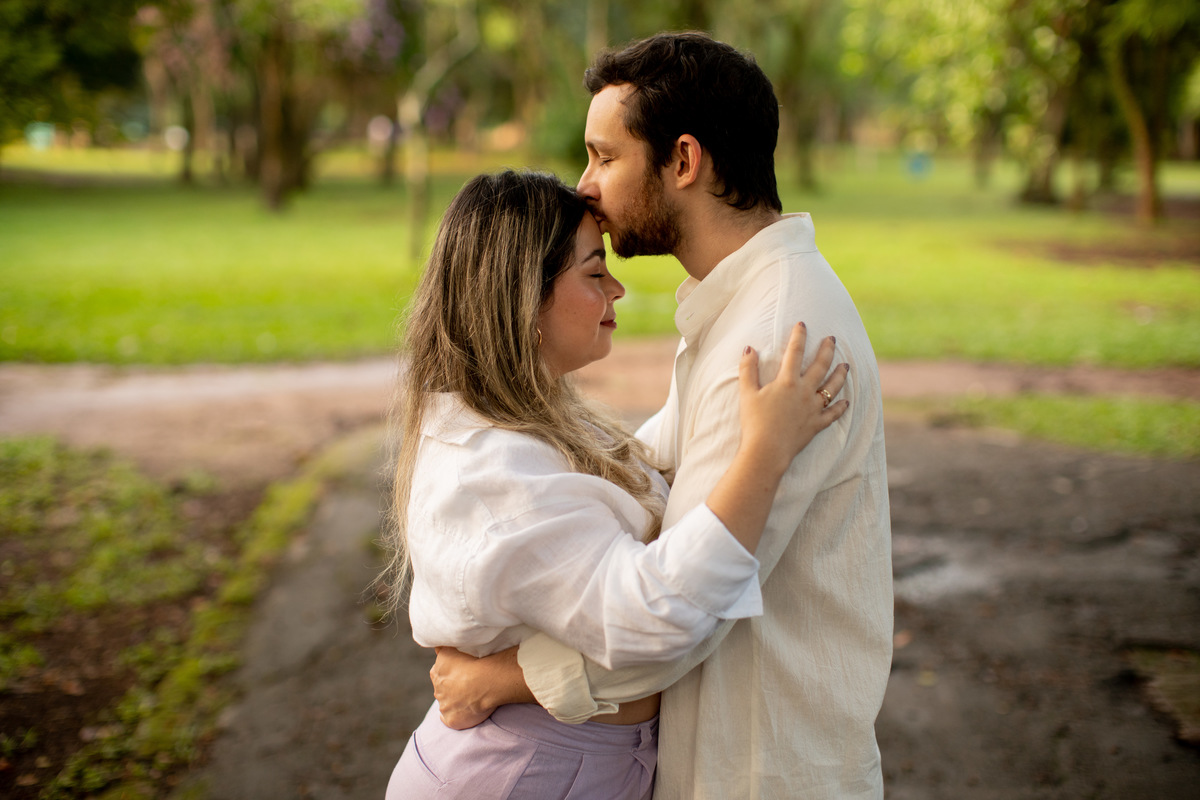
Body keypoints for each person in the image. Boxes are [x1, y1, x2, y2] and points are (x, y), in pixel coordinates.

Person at [429, 32, 894, 800]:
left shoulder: (773, 339)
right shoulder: (740, 309)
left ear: (683, 161)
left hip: (756, 772)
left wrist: (501, 678)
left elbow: (676, 620)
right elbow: (649, 471)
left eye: (604, 157)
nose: (584, 186)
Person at [381, 169, 849, 799]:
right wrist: (763, 454)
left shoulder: (521, 418)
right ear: (523, 295)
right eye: (593, 273)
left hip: (557, 764)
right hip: (518, 774)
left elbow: (632, 469)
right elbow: (651, 620)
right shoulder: (494, 477)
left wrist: (506, 676)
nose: (618, 288)